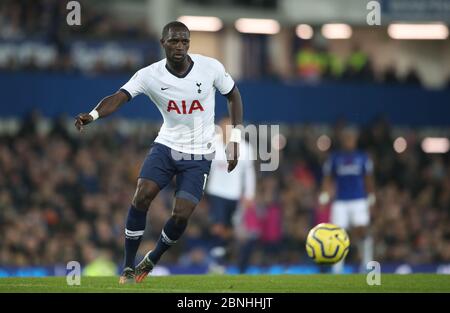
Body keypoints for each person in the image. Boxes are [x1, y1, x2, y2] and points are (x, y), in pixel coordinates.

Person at [74, 21, 244, 284]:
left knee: (181, 215)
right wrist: (94, 115)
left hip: (199, 154)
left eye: (184, 41)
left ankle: (153, 257)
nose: (179, 46)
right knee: (142, 195)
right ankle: (128, 266)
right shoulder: (149, 75)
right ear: (163, 42)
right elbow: (120, 96)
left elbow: (234, 95)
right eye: (174, 41)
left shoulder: (210, 67)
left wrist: (233, 138)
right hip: (166, 145)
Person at [319, 127, 375, 273]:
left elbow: (368, 178)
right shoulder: (334, 158)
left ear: (355, 140)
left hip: (358, 199)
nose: (349, 141)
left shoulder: (363, 157)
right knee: (337, 233)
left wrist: (371, 197)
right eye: (346, 138)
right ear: (342, 140)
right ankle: (337, 267)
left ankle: (367, 264)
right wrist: (324, 195)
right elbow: (327, 177)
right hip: (340, 201)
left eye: (351, 138)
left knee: (361, 230)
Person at [205, 117, 256, 268]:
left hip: (234, 195)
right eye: (223, 127)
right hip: (216, 192)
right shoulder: (213, 144)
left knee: (228, 229)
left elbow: (249, 173)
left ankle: (223, 256)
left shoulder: (245, 148)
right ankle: (217, 259)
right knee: (218, 226)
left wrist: (249, 194)